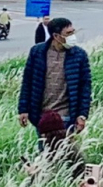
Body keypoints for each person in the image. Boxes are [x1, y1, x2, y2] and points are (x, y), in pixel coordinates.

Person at [18, 17, 91, 148]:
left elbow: (85, 87)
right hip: (41, 115)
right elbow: (27, 81)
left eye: (73, 32)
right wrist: (23, 109)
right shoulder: (38, 52)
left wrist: (82, 115)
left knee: (65, 155)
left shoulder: (79, 55)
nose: (72, 36)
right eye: (68, 34)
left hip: (67, 115)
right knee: (45, 153)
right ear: (56, 36)